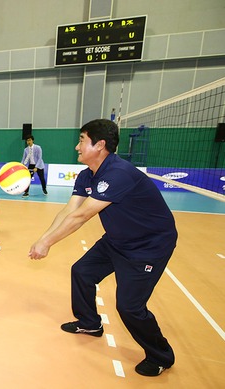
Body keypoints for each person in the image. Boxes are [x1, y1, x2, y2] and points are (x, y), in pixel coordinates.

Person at [29, 119, 177, 377]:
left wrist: (47, 243)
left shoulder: (118, 173)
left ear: (100, 145)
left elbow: (82, 216)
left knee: (130, 307)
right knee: (82, 271)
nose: (76, 146)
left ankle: (161, 355)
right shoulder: (88, 174)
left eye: (81, 140)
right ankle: (89, 323)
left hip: (148, 246)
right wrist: (44, 237)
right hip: (118, 240)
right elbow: (69, 210)